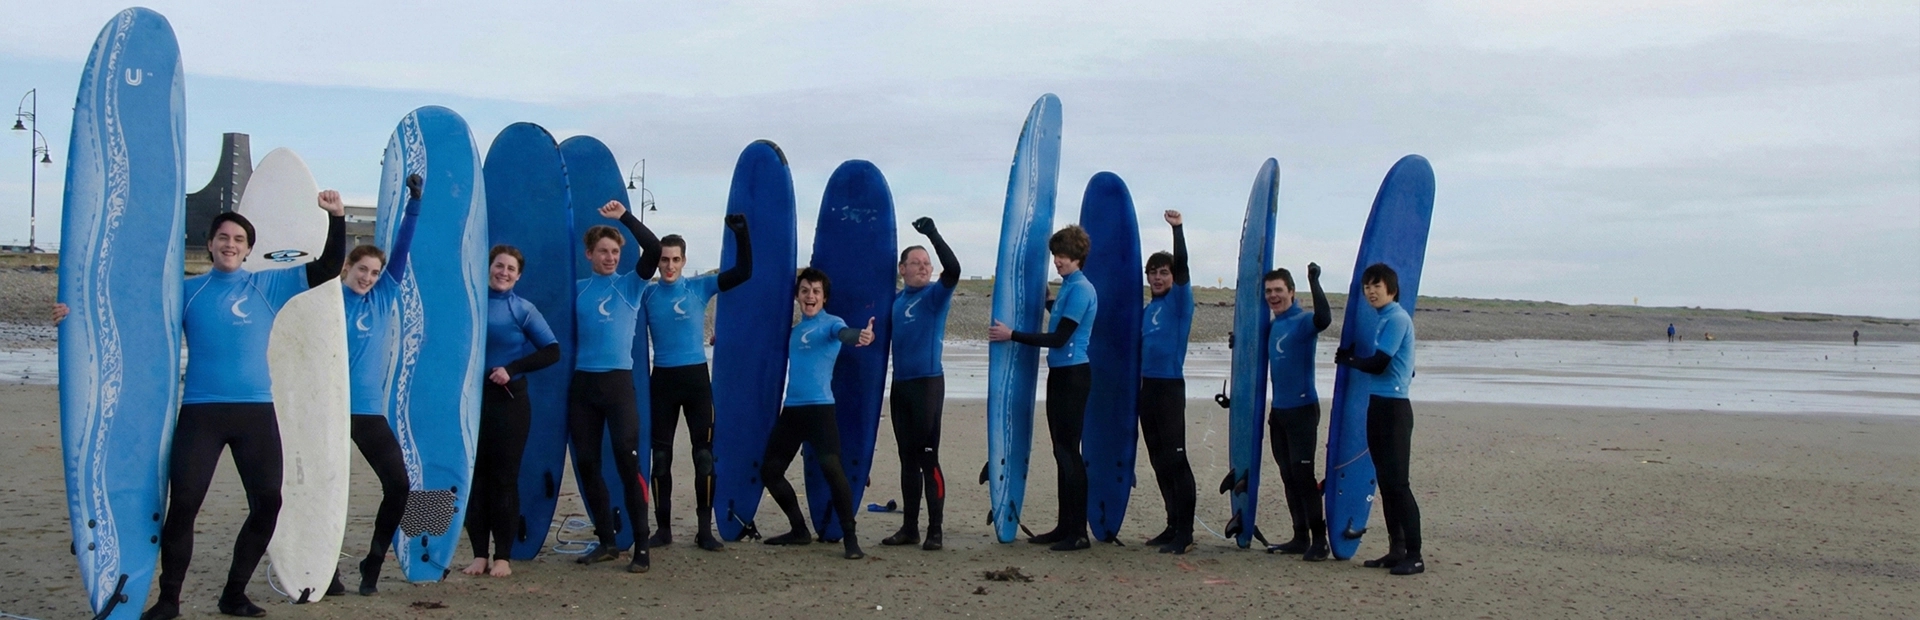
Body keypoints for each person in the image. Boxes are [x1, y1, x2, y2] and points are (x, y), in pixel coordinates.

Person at [56, 188, 348, 619]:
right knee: (185, 504)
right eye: (223, 238)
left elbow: (326, 268)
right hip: (201, 413)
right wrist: (72, 314)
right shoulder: (186, 292)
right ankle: (169, 599)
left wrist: (337, 218)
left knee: (268, 502)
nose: (230, 245)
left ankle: (234, 593)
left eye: (239, 240)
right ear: (210, 244)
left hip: (254, 412)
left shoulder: (268, 284)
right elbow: (127, 314)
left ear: (249, 250)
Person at [333, 174, 422, 595]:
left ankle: (373, 561)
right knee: (328, 490)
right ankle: (324, 571)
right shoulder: (327, 300)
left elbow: (402, 249)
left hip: (368, 410)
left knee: (399, 485)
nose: (368, 277)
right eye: (361, 269)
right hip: (330, 409)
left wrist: (414, 204)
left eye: (374, 271)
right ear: (346, 268)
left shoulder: (384, 297)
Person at [641, 214, 753, 550]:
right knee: (660, 459)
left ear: (685, 260)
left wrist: (742, 235)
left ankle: (705, 531)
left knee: (703, 456)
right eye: (664, 259)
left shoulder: (698, 287)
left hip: (695, 381)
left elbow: (743, 273)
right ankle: (663, 529)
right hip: (661, 379)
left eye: (676, 259)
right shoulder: (646, 295)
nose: (670, 266)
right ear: (657, 261)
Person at [988, 225, 1098, 551]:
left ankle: (1078, 532)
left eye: (1062, 256)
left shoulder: (1081, 289)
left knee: (1069, 453)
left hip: (1074, 375)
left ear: (1077, 256)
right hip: (1061, 374)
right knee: (1061, 452)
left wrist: (1013, 335)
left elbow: (1059, 338)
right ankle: (1065, 526)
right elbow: (1061, 319)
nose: (1057, 262)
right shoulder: (1069, 286)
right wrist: (1049, 301)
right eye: (1055, 256)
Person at [569, 200, 663, 573]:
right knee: (588, 464)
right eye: (603, 251)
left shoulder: (631, 285)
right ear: (589, 253)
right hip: (584, 386)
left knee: (628, 462)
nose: (610, 257)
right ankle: (607, 541)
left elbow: (654, 249)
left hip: (619, 385)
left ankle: (642, 546)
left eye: (615, 251)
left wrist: (624, 217)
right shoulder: (576, 290)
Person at [757, 268, 877, 559]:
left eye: (816, 292)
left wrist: (859, 335)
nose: (810, 296)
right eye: (805, 291)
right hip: (793, 411)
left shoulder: (831, 324)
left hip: (821, 409)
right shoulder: (794, 331)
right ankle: (799, 529)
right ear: (797, 296)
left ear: (824, 298)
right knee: (770, 472)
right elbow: (760, 349)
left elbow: (844, 334)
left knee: (833, 471)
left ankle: (850, 536)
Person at [463, 245, 561, 578]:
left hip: (509, 402)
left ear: (518, 276)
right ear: (488, 267)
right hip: (472, 402)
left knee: (504, 480)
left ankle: (502, 556)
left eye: (510, 269)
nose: (503, 272)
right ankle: (479, 554)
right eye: (498, 265)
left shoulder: (523, 309)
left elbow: (552, 351)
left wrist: (513, 367)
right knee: (475, 479)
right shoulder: (471, 302)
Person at [1334, 263, 1424, 576]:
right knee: (1386, 483)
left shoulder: (1397, 318)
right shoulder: (1383, 319)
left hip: (1395, 410)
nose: (1371, 291)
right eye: (1367, 287)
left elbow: (1380, 364)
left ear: (1392, 289)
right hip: (1379, 406)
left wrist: (1349, 360)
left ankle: (1415, 554)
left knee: (1399, 484)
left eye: (1377, 285)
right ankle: (1396, 550)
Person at [881, 217, 958, 551]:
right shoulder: (896, 301)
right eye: (917, 262)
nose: (924, 267)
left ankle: (935, 530)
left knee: (929, 457)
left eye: (927, 263)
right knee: (906, 459)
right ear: (902, 268)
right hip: (901, 388)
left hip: (928, 385)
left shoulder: (934, 297)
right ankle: (909, 527)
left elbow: (952, 269)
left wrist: (933, 235)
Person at [1138, 210, 1199, 554]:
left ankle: (1186, 533)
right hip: (1148, 390)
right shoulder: (1148, 309)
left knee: (1177, 460)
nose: (1158, 278)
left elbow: (1185, 266)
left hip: (1170, 389)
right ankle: (1172, 523)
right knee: (1159, 460)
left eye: (1164, 272)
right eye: (1153, 273)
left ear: (1172, 277)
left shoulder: (1179, 302)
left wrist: (1178, 230)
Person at [1262, 263, 1331, 560]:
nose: (1273, 296)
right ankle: (1299, 536)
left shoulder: (1302, 321)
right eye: (1268, 291)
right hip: (1278, 412)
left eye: (1279, 290)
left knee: (1303, 476)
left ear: (1291, 292)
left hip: (1303, 409)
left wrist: (1314, 281)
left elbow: (1324, 319)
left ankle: (1319, 540)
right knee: (1288, 476)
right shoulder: (1273, 325)